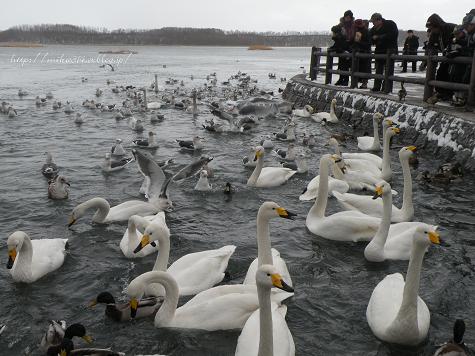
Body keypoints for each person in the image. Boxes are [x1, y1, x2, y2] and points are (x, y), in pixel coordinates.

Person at [425, 14, 456, 102]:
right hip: (445, 57)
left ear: (437, 25)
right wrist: (426, 59)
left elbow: (456, 40)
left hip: (455, 56)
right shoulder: (434, 34)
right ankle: (441, 93)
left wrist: (450, 49)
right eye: (430, 28)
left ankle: (451, 94)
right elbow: (430, 46)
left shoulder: (450, 28)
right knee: (440, 73)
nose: (432, 30)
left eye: (433, 28)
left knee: (451, 75)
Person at [368, 12, 399, 93]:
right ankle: (376, 86)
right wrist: (373, 39)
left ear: (379, 20)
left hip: (390, 49)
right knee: (378, 69)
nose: (373, 24)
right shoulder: (373, 29)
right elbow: (370, 39)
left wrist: (380, 37)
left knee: (388, 70)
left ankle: (386, 87)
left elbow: (393, 35)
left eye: (374, 22)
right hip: (379, 51)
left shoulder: (390, 24)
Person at [329, 10, 355, 86]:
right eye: (346, 17)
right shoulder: (341, 25)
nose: (347, 18)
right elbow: (337, 35)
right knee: (341, 64)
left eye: (349, 17)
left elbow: (352, 35)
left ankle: (345, 80)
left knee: (346, 65)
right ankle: (341, 79)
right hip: (343, 45)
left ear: (351, 17)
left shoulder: (353, 25)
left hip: (348, 45)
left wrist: (349, 41)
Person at [352, 19, 371, 89]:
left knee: (365, 69)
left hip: (365, 52)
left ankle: (364, 83)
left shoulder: (366, 32)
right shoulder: (357, 31)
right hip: (359, 52)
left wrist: (358, 43)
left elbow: (368, 44)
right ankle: (356, 82)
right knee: (358, 68)